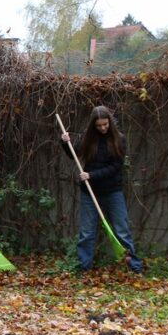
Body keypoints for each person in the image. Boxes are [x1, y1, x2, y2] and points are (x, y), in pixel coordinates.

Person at [60, 105, 144, 273]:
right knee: (86, 232)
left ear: (110, 123)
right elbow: (75, 155)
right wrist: (64, 142)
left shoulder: (119, 139)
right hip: (89, 193)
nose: (103, 128)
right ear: (94, 125)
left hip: (112, 191)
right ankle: (84, 268)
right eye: (99, 125)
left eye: (105, 124)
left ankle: (135, 268)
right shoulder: (88, 138)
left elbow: (115, 167)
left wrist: (91, 175)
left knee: (122, 230)